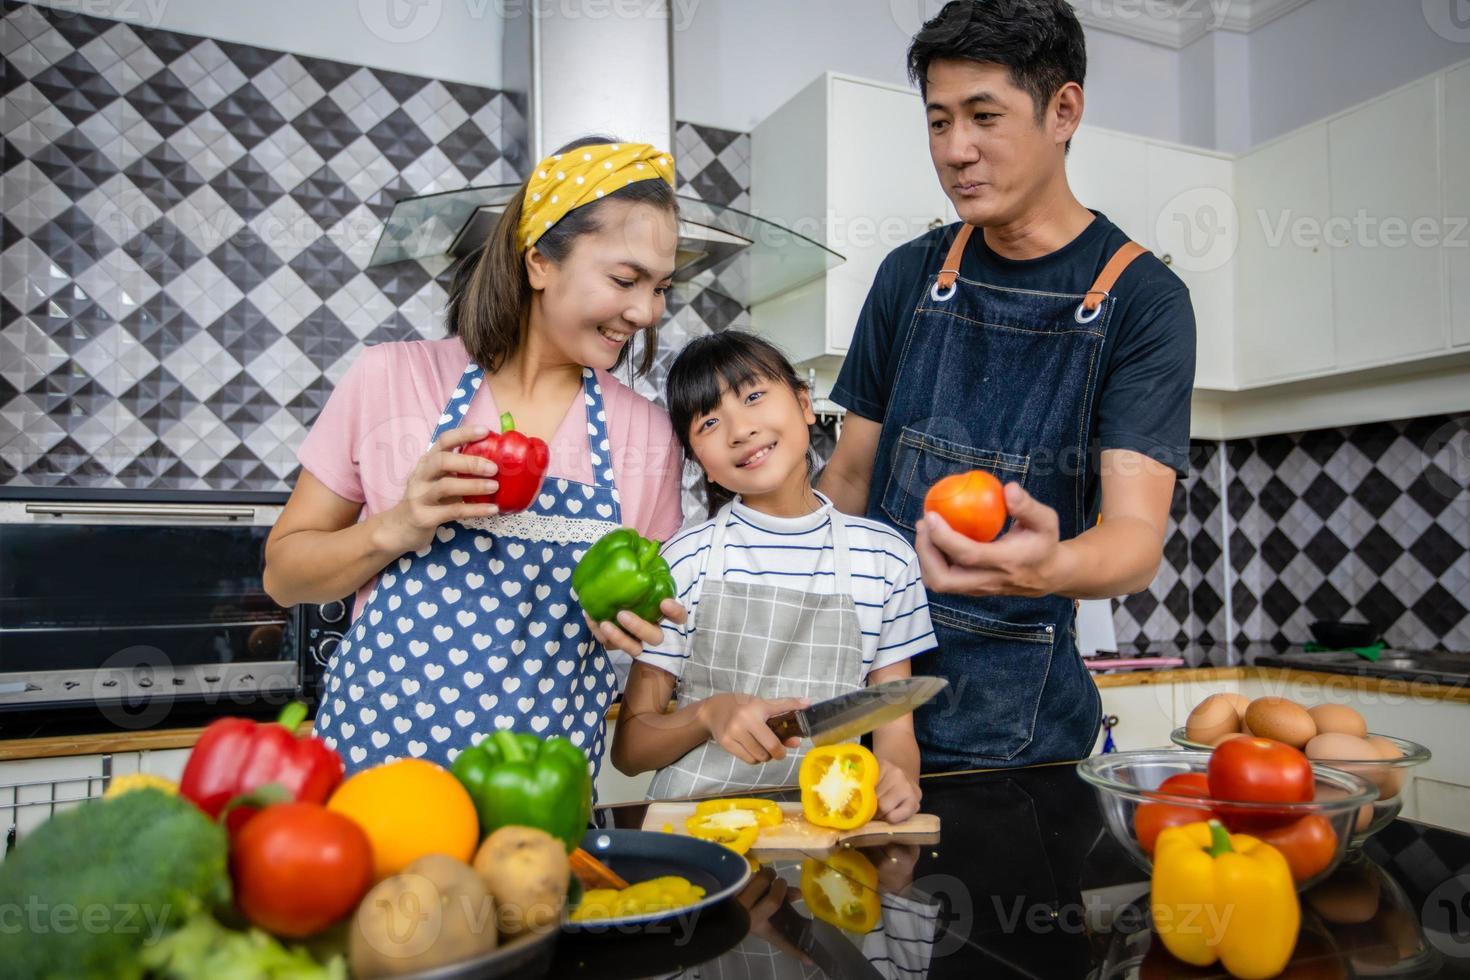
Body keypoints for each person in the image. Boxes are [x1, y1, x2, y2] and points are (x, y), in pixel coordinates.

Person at [818, 0, 1196, 771]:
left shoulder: (1145, 301)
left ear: (1064, 110)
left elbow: (1132, 540)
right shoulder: (911, 276)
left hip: (1021, 741)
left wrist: (1047, 568)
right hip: (866, 710)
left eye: (984, 116)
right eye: (938, 122)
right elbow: (850, 478)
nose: (957, 150)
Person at [263, 137, 686, 775]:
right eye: (627, 280)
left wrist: (636, 627)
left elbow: (651, 620)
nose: (645, 311)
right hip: (375, 783)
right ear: (540, 261)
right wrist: (396, 527)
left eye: (660, 288)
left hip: (537, 804)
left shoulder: (648, 433)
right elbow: (283, 576)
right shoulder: (390, 380)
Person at [610, 332, 931, 821]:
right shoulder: (682, 561)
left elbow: (894, 735)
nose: (740, 430)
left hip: (825, 826)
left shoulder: (887, 560)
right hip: (698, 829)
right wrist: (706, 714)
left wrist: (898, 778)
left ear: (804, 403)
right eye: (710, 422)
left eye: (754, 396)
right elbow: (631, 751)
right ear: (703, 466)